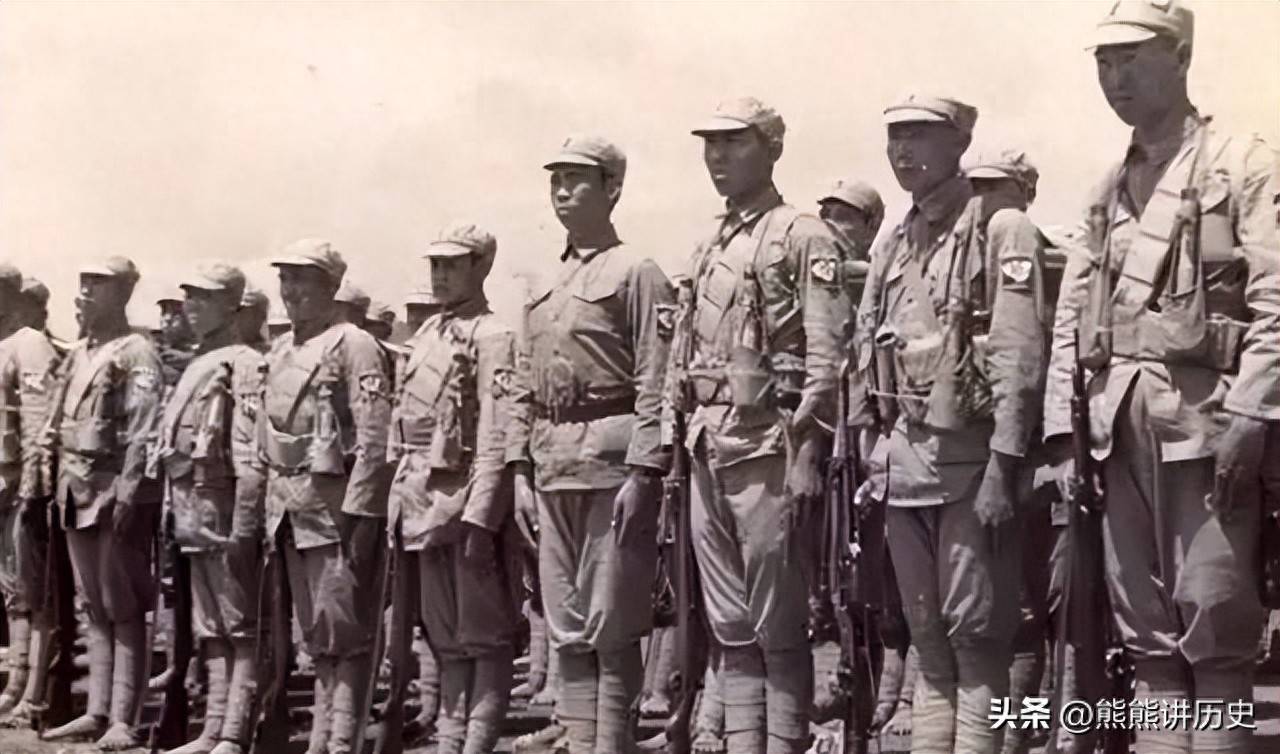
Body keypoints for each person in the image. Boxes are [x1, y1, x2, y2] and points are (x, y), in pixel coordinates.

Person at [1044, 3, 1280, 752]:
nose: (1115, 78)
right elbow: (1072, 317)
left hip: (1206, 431)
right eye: (1104, 63)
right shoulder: (1107, 186)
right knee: (1145, 636)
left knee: (1215, 627)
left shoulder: (1242, 164)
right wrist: (1061, 439)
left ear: (1180, 58)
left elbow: (1276, 299)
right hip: (1115, 432)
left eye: (1132, 60)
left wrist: (1253, 416)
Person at [856, 94, 1048, 754]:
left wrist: (1004, 465)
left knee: (977, 639)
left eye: (920, 134)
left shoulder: (999, 227)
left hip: (971, 465)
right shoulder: (894, 240)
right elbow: (865, 347)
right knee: (928, 639)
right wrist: (871, 445)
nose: (903, 149)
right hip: (904, 466)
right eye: (895, 135)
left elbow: (1019, 355)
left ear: (960, 143)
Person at [676, 96, 843, 754]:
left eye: (734, 142)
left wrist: (809, 453)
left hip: (771, 442)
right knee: (729, 622)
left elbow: (827, 355)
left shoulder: (802, 235)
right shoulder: (710, 241)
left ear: (772, 148)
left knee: (778, 621)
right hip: (708, 441)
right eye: (710, 144)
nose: (718, 156)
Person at [507, 134, 674, 754]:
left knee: (613, 619)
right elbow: (522, 384)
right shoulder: (546, 282)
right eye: (555, 179)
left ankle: (610, 745)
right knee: (567, 619)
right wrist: (519, 470)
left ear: (613, 189)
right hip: (552, 463)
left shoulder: (637, 271)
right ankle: (580, 741)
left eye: (576, 179)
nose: (562, 190)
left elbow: (658, 376)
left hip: (611, 460)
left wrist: (645, 471)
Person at [385, 222, 521, 754]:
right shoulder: (427, 334)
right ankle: (450, 740)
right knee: (444, 635)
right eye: (435, 265)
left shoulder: (494, 336)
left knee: (484, 635)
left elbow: (496, 431)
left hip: (464, 500)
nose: (440, 275)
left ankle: (477, 742)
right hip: (421, 501)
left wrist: (482, 516)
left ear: (481, 266)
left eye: (452, 265)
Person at [257, 240, 392, 754]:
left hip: (335, 510)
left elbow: (374, 436)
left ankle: (342, 740)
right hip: (289, 506)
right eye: (285, 279)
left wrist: (363, 513)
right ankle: (321, 737)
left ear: (331, 287)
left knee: (345, 631)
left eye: (303, 280)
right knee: (315, 632)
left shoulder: (354, 344)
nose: (291, 291)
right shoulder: (281, 350)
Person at [41, 256, 164, 750]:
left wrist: (130, 490)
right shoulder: (81, 353)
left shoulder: (137, 352)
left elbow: (144, 429)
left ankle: (123, 719)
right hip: (75, 488)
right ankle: (96, 710)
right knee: (92, 604)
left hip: (113, 491)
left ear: (124, 293)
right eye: (83, 283)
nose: (86, 292)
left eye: (98, 284)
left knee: (124, 605)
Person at [156, 263, 267, 754]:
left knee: (240, 625)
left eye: (204, 298)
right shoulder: (199, 362)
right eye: (190, 297)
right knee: (211, 627)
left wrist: (245, 521)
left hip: (223, 512)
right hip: (192, 512)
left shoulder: (244, 363)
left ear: (231, 305)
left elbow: (249, 453)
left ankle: (235, 732)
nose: (192, 307)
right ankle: (212, 728)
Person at [0, 264, 62, 726]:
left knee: (34, 592)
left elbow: (40, 420)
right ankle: (15, 684)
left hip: (22, 487)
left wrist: (32, 486)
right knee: (11, 591)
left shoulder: (29, 343)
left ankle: (33, 691)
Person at [236, 286, 271, 353]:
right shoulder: (229, 347)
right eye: (240, 313)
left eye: (246, 314)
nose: (240, 319)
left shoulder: (270, 352)